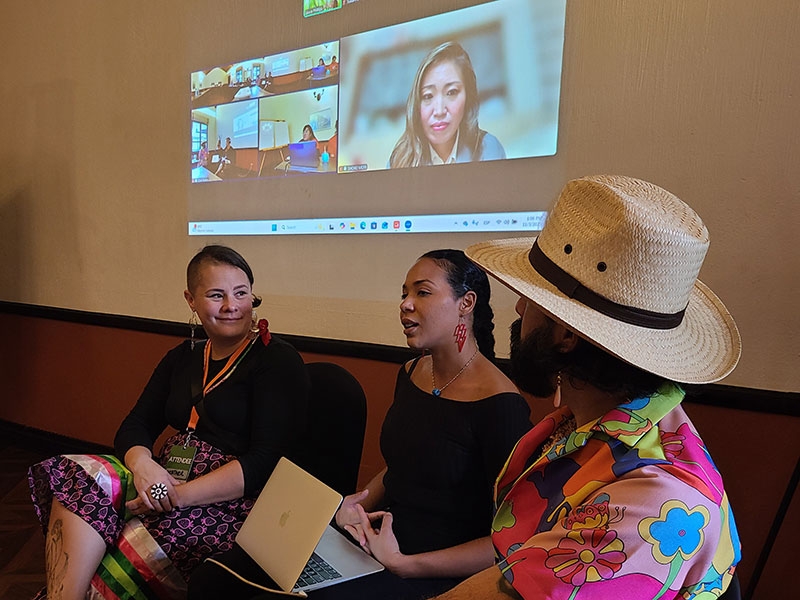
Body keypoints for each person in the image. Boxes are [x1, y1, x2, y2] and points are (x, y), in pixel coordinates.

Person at [431, 175, 742, 599]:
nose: (519, 307)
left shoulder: (655, 498)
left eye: (531, 298)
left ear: (566, 335)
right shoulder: (586, 422)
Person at [187, 249, 532, 600]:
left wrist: (406, 564)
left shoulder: (502, 405)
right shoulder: (413, 372)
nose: (406, 304)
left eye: (422, 292)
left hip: (429, 571)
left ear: (466, 303)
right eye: (404, 293)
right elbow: (402, 467)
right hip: (374, 543)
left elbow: (513, 540)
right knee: (213, 579)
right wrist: (357, 506)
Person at [28, 245, 310, 600]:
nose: (231, 306)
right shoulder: (182, 357)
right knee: (79, 476)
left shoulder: (276, 360)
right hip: (165, 477)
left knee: (124, 553)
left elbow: (265, 463)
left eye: (241, 293)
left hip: (230, 502)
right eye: (216, 295)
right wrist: (144, 467)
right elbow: (136, 424)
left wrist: (175, 496)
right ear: (191, 300)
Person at [389, 41, 505, 168]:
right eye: (428, 96)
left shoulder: (488, 150)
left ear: (468, 97)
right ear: (416, 104)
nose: (439, 111)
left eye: (451, 92)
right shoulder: (399, 159)